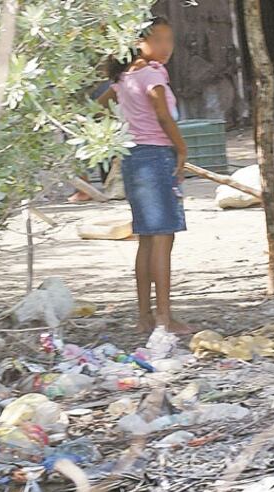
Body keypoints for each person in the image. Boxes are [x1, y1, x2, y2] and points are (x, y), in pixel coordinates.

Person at [97, 17, 191, 334]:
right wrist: (181, 149)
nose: (166, 48)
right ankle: (164, 318)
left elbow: (98, 106)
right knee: (163, 237)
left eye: (170, 41)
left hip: (132, 158)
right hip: (157, 157)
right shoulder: (153, 74)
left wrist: (118, 132)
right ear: (139, 43)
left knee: (147, 239)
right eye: (159, 40)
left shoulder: (125, 76)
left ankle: (144, 317)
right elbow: (163, 116)